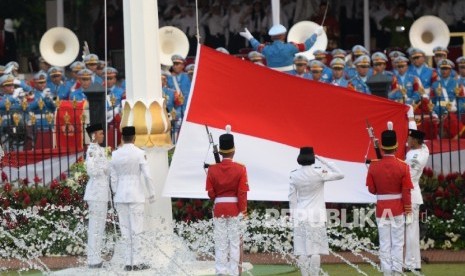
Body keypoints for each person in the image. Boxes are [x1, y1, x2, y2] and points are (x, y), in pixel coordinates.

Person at [289, 147, 344, 276]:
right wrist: (323, 160)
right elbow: (340, 174)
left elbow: (292, 198)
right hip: (316, 215)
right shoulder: (319, 172)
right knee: (315, 250)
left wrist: (293, 215)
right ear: (313, 157)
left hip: (300, 214)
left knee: (301, 250)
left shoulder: (294, 174)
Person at [366, 129, 413, 276]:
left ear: (382, 147)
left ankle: (386, 272)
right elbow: (406, 192)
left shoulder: (373, 165)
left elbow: (372, 190)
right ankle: (397, 272)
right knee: (398, 243)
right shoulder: (403, 166)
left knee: (384, 243)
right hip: (398, 209)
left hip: (381, 209)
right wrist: (409, 211)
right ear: (396, 146)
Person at [110, 126, 155, 271]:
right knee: (137, 229)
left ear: (122, 138)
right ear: (134, 138)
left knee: (125, 230)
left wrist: (116, 192)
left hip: (121, 195)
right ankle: (136, 261)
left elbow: (113, 177)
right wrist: (152, 193)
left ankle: (128, 262)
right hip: (136, 194)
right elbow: (147, 176)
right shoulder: (140, 153)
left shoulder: (115, 154)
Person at [206, 126, 249, 276]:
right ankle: (233, 273)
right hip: (235, 209)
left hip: (219, 209)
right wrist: (243, 210)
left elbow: (211, 194)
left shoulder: (212, 169)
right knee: (234, 244)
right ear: (233, 150)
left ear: (220, 152)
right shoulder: (240, 169)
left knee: (221, 242)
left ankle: (220, 272)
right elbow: (242, 193)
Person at [239, 24, 322, 72]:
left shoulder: (267, 48)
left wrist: (250, 37)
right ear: (283, 36)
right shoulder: (291, 47)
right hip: (290, 77)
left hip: (273, 77)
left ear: (271, 38)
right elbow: (306, 46)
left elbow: (257, 46)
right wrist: (315, 34)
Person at [84, 123, 110, 269]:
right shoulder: (92, 150)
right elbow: (91, 171)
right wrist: (104, 168)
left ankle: (96, 257)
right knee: (95, 226)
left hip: (101, 193)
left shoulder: (99, 149)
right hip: (96, 193)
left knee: (99, 227)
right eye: (100, 133)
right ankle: (93, 259)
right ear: (94, 135)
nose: (103, 135)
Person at [404, 129, 429, 272]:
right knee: (412, 230)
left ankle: (410, 263)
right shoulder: (424, 150)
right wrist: (411, 117)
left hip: (410, 196)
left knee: (410, 231)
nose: (407, 140)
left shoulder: (414, 156)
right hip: (414, 196)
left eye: (409, 138)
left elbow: (407, 177)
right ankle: (415, 263)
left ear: (415, 141)